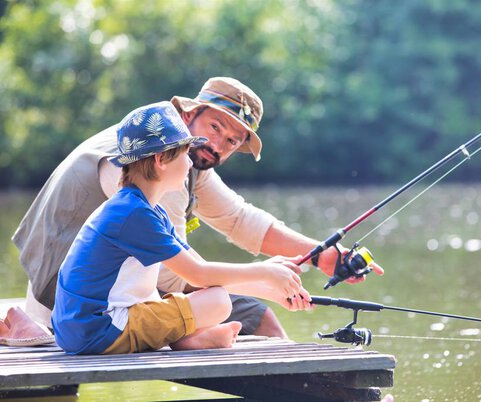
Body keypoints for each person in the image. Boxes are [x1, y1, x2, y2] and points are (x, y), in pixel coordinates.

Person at [11, 77, 383, 341]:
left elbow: (240, 219)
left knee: (242, 310)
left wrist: (322, 256)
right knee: (253, 314)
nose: (218, 144)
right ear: (190, 114)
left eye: (233, 141)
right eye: (215, 127)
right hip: (75, 305)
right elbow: (178, 275)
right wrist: (266, 282)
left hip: (87, 299)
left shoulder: (175, 154)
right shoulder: (158, 168)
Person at [51, 101, 312, 355]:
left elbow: (199, 272)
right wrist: (264, 271)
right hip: (96, 331)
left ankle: (190, 338)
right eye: (186, 153)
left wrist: (271, 286)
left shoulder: (146, 209)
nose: (190, 164)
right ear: (162, 158)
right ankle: (189, 339)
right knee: (218, 302)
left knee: (214, 297)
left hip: (84, 328)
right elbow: (199, 274)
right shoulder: (134, 215)